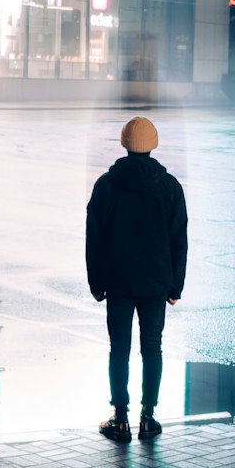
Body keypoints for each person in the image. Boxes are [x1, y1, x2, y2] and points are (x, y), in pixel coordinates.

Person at [86, 116, 188, 443]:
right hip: (156, 285)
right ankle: (148, 417)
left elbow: (94, 239)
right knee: (152, 349)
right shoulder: (170, 187)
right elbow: (178, 241)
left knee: (119, 349)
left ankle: (120, 419)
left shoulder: (105, 186)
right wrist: (176, 286)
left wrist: (95, 281)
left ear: (124, 143)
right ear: (153, 144)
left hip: (116, 282)